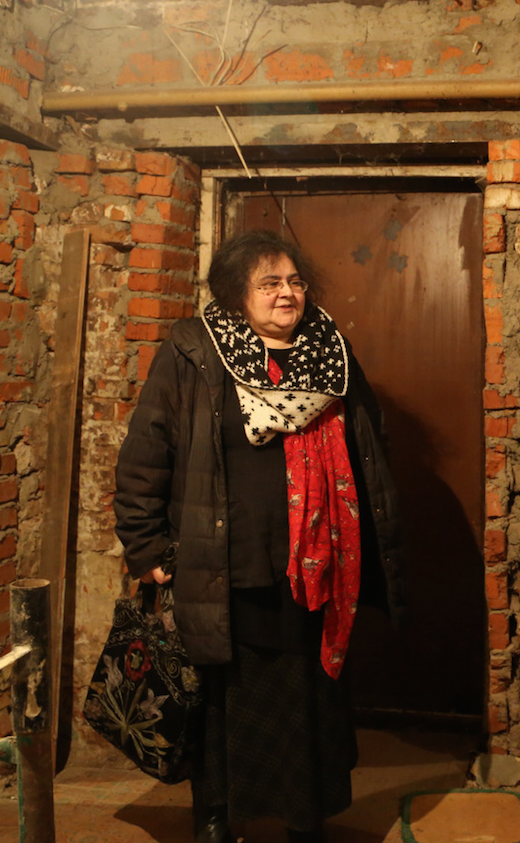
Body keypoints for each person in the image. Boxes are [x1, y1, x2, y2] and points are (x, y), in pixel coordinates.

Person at [113, 229, 405, 843]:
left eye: (295, 281)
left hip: (312, 564)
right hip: (223, 561)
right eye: (270, 283)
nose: (287, 293)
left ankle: (305, 816)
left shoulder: (331, 351)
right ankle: (218, 814)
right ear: (234, 294)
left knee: (306, 697)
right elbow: (147, 451)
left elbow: (369, 443)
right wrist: (143, 546)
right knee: (221, 698)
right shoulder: (194, 351)